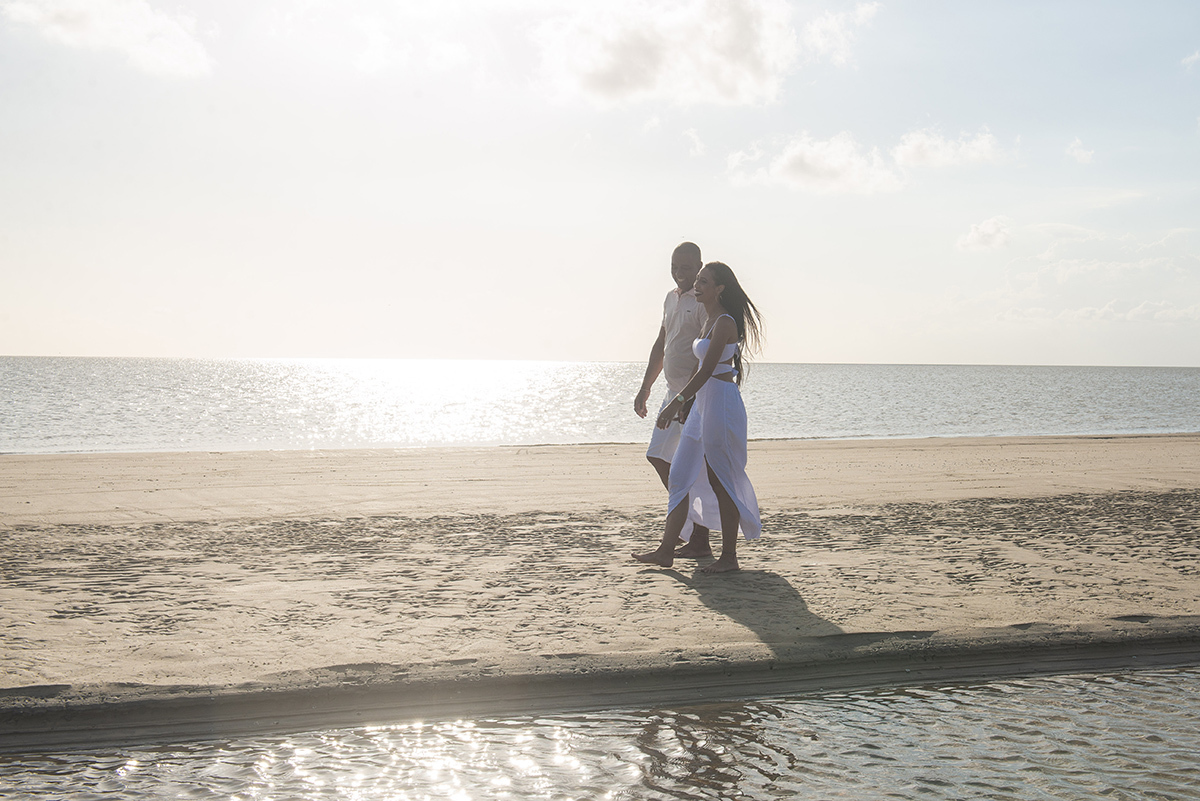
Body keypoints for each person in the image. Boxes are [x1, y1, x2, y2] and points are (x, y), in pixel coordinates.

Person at [633, 261, 763, 573]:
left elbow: (707, 371)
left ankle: (729, 558)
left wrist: (677, 402)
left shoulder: (725, 323)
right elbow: (697, 365)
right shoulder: (709, 321)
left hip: (721, 405)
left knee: (721, 478)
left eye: (704, 282)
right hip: (701, 406)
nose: (697, 286)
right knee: (679, 473)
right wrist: (687, 405)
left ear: (720, 289)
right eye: (698, 282)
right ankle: (666, 550)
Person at [634, 242, 712, 556]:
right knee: (657, 456)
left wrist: (686, 398)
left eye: (686, 267)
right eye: (675, 266)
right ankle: (691, 529)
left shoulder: (704, 300)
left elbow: (704, 355)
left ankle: (697, 539)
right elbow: (662, 343)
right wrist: (645, 387)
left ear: (699, 267)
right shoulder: (670, 298)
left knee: (692, 471)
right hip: (671, 394)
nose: (679, 273)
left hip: (694, 398)